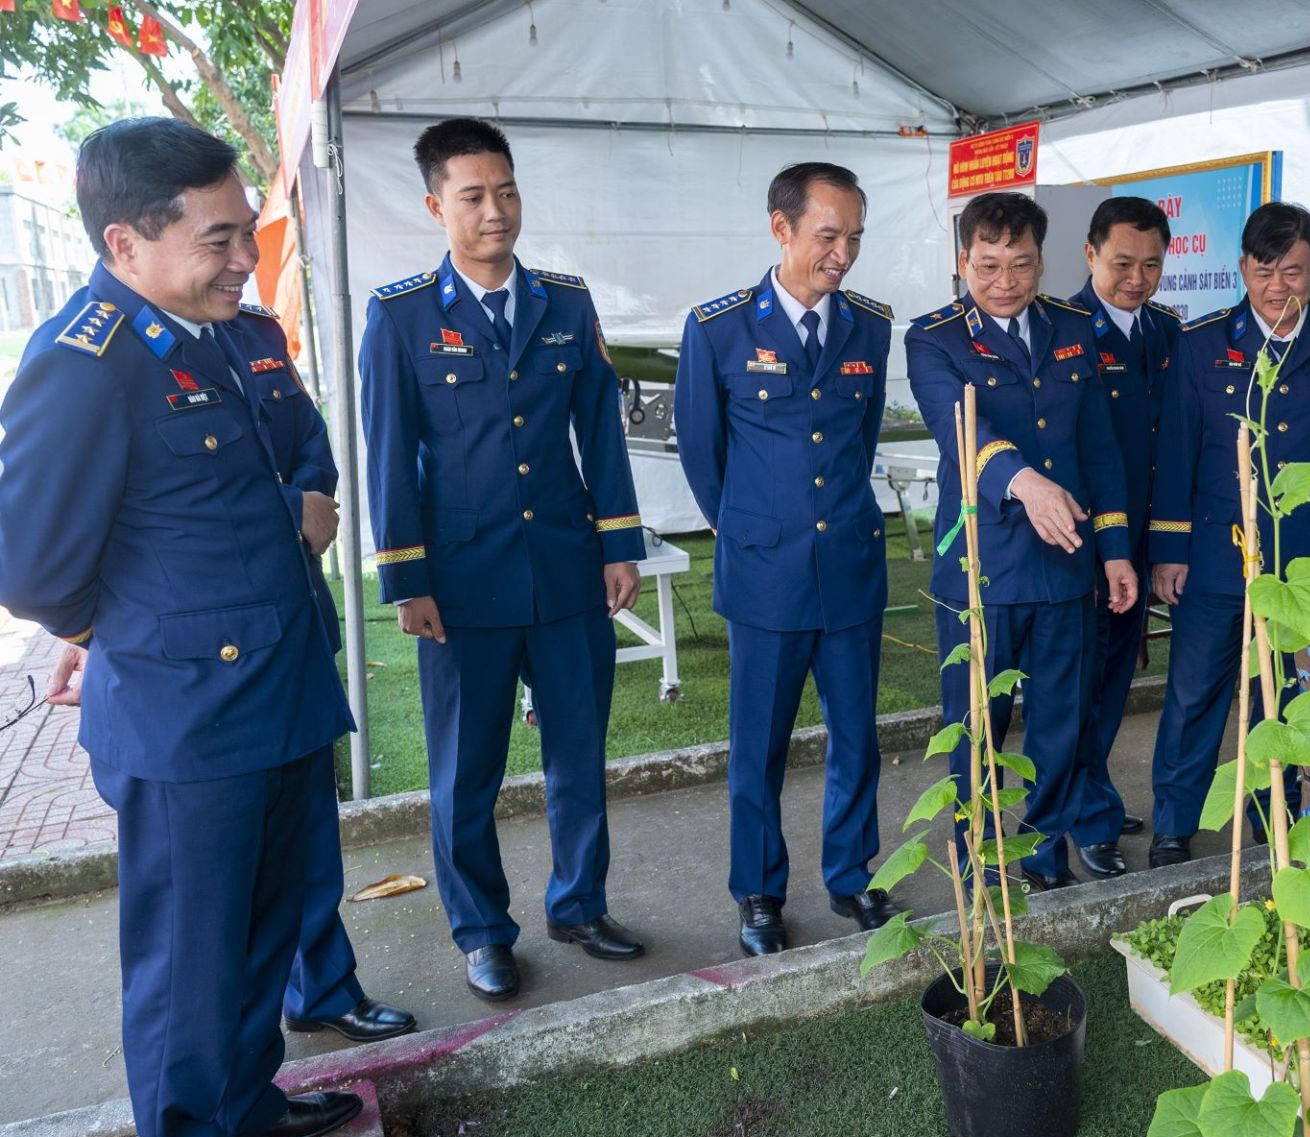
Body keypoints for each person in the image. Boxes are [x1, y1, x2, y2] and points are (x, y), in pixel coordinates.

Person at [0, 118, 362, 1137]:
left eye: (246, 231)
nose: (249, 258)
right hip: (188, 719)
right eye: (220, 239)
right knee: (186, 962)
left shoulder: (229, 335)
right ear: (126, 245)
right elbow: (30, 569)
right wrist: (120, 635)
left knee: (264, 930)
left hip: (281, 688)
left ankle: (243, 1101)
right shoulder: (87, 362)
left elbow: (283, 470)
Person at [360, 117, 646, 1002]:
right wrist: (406, 578)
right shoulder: (401, 314)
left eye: (507, 190)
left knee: (577, 754)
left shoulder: (566, 302)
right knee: (464, 770)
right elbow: (387, 451)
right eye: (475, 196)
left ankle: (579, 903)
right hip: (461, 584)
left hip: (563, 569)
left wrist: (618, 543)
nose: (496, 211)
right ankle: (482, 930)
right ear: (435, 205)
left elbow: (599, 430)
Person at [673, 162, 900, 956]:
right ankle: (760, 890)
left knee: (855, 735)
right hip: (764, 575)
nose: (843, 253)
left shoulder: (870, 326)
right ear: (782, 228)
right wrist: (758, 529)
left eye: (854, 237)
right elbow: (704, 460)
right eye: (827, 235)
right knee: (759, 745)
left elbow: (859, 438)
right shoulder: (719, 328)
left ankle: (850, 872)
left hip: (849, 570)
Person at [1147, 202, 1310, 867]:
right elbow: (1176, 451)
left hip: (1305, 562)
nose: (1279, 286)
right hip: (1212, 559)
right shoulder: (1200, 343)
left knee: (1289, 695)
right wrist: (1169, 549)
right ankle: (1174, 823)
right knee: (1195, 691)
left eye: (1293, 270)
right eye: (1265, 271)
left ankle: (1278, 817)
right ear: (1242, 270)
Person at [905, 191, 1139, 892]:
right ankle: (979, 863)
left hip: (1067, 568)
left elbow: (1099, 446)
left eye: (1021, 264)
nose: (1004, 280)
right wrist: (1024, 482)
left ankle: (1042, 858)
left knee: (1061, 726)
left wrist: (1116, 546)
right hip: (983, 570)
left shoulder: (1074, 326)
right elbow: (959, 429)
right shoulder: (933, 338)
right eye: (987, 264)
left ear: (1045, 260)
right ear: (962, 260)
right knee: (977, 728)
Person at [232, 313, 418, 1044]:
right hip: (209, 663)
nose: (245, 257)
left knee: (311, 832)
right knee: (229, 866)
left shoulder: (254, 336)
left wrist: (310, 499)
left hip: (296, 622)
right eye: (222, 238)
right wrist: (289, 510)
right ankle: (234, 1062)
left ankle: (323, 989)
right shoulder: (108, 350)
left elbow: (310, 441)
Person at [1064, 196, 1183, 879]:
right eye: (1120, 263)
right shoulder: (1065, 328)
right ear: (1089, 255)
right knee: (1079, 682)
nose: (1135, 278)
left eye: (1150, 264)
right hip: (1083, 540)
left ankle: (1094, 795)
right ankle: (1087, 815)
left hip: (1143, 536)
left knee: (1112, 678)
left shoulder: (1165, 334)